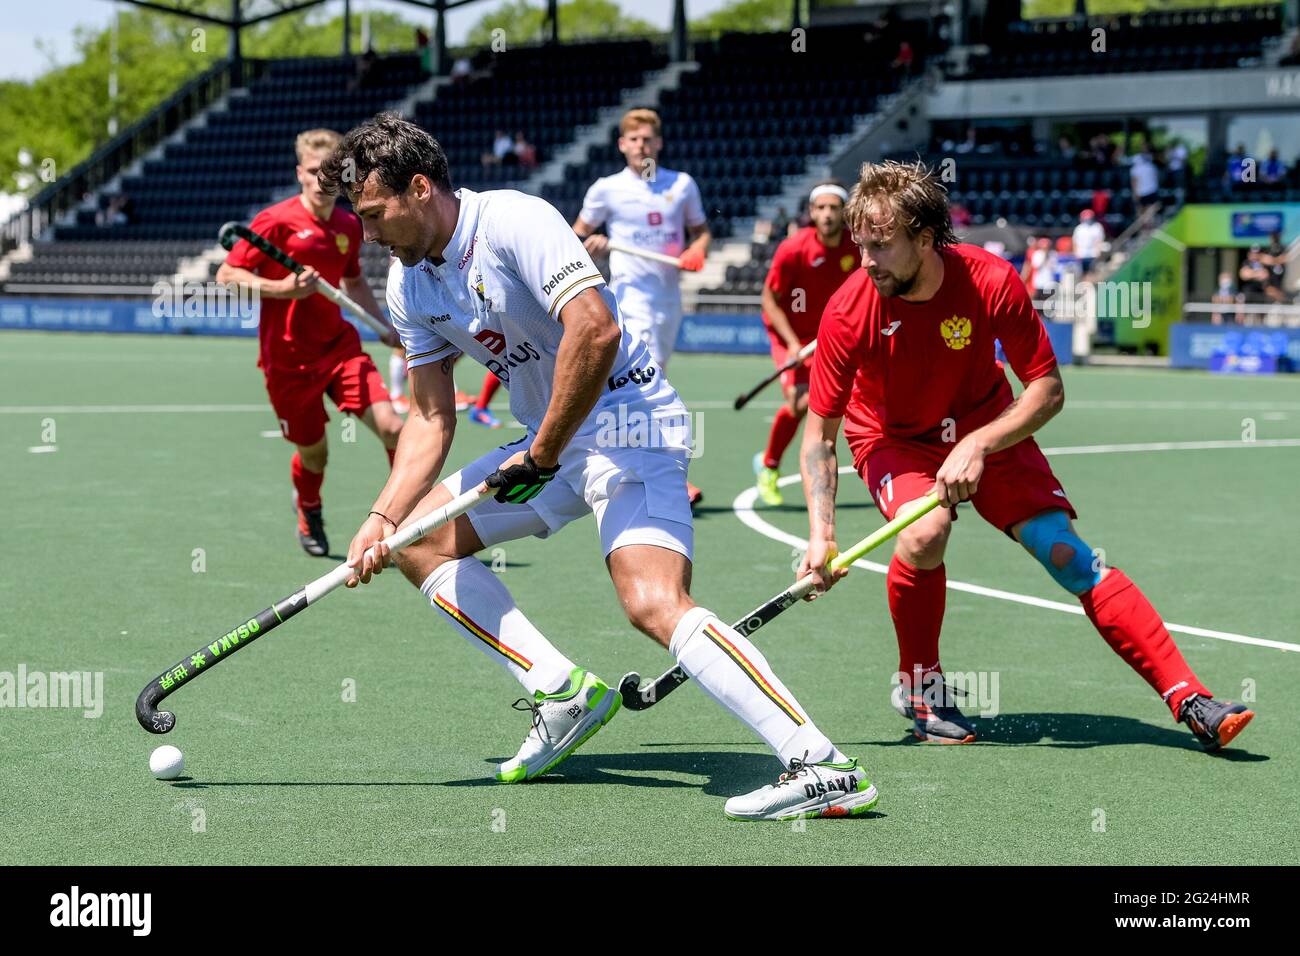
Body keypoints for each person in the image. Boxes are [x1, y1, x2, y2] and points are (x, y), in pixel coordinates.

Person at [324, 113, 873, 820]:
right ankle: (561, 692)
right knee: (417, 540)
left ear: (421, 187)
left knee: (651, 601)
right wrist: (379, 519)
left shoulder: (514, 221)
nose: (367, 234)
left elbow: (596, 327)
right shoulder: (408, 287)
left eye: (375, 214)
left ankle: (820, 762)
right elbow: (432, 418)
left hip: (627, 420)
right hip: (548, 441)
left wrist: (544, 450)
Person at [797, 159, 1254, 752]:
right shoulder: (849, 309)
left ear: (926, 238)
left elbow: (1047, 387)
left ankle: (1190, 697)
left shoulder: (989, 280)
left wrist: (979, 442)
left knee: (1069, 556)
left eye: (881, 246)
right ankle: (923, 690)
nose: (866, 261)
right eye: (862, 246)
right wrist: (820, 535)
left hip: (987, 423)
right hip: (890, 436)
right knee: (925, 533)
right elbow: (819, 440)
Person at [216, 128, 403, 556]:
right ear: (300, 172)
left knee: (394, 427)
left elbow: (354, 280)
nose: (323, 183)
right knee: (316, 454)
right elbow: (227, 276)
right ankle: (310, 507)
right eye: (315, 172)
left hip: (339, 348)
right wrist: (284, 289)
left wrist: (381, 324)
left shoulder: (347, 224)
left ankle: (399, 527)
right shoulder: (275, 221)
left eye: (331, 174)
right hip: (288, 360)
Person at [573, 108, 711, 506]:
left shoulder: (681, 185)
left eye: (648, 139)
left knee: (653, 378)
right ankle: (661, 474)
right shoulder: (606, 189)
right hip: (630, 298)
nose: (641, 145)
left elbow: (701, 233)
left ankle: (630, 465)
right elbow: (573, 239)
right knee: (647, 383)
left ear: (659, 143)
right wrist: (592, 246)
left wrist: (696, 251)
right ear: (621, 145)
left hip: (670, 298)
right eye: (634, 139)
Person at [752, 182, 857, 506]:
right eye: (821, 208)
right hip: (791, 336)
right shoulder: (794, 249)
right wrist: (793, 344)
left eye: (834, 208)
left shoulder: (856, 248)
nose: (827, 214)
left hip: (832, 337)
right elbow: (769, 300)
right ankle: (768, 466)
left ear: (844, 212)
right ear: (812, 212)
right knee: (800, 404)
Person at [1071, 208, 1105, 277]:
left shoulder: (1097, 227)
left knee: (1093, 273)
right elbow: (1075, 242)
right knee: (1081, 274)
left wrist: (1098, 252)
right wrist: (1076, 253)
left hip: (1093, 254)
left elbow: (1099, 240)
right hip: (1081, 254)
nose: (1087, 220)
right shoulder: (1079, 228)